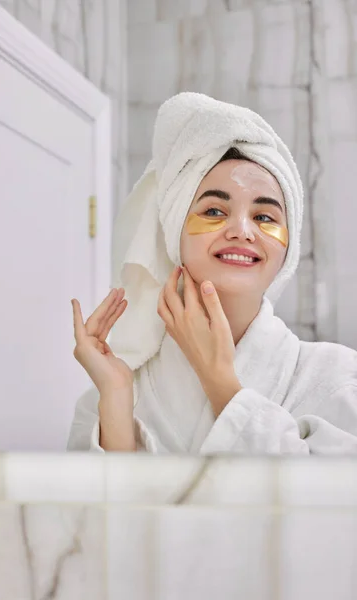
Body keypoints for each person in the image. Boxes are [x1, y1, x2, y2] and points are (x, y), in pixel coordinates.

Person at [68, 92, 357, 454]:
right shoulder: (115, 389)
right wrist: (116, 399)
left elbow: (332, 505)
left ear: (288, 251)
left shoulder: (335, 378)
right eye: (215, 211)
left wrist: (219, 381)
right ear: (176, 235)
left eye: (265, 217)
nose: (241, 230)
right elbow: (94, 512)